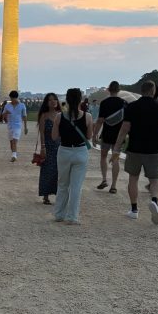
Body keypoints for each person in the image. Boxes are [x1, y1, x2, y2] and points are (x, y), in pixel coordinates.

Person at [115, 80, 158, 224]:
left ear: (142, 90)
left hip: (135, 148)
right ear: (153, 91)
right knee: (154, 180)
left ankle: (134, 209)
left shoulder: (132, 107)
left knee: (133, 179)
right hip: (153, 149)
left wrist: (116, 148)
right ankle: (155, 201)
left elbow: (124, 130)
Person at [51, 87, 92, 225]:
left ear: (67, 100)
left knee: (62, 184)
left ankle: (59, 214)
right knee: (76, 187)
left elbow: (54, 136)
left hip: (64, 151)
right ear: (80, 100)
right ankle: (72, 217)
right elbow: (89, 136)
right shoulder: (87, 116)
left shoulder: (59, 116)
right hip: (80, 151)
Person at [92, 80, 125, 194]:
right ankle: (114, 185)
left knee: (103, 157)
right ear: (118, 90)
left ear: (109, 90)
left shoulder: (104, 103)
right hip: (119, 135)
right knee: (115, 159)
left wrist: (95, 134)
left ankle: (104, 179)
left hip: (107, 133)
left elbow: (100, 121)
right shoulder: (124, 103)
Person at [36, 93, 61, 204]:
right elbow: (41, 133)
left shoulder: (61, 114)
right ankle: (45, 195)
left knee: (59, 171)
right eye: (50, 100)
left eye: (55, 99)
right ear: (47, 102)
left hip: (60, 146)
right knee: (47, 171)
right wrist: (43, 147)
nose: (53, 101)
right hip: (48, 146)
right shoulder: (44, 116)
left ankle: (58, 194)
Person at [2, 90, 27, 161]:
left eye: (13, 98)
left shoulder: (22, 105)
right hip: (10, 125)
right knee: (11, 141)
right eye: (11, 98)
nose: (12, 100)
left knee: (14, 140)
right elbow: (3, 116)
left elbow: (25, 116)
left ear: (16, 97)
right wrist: (6, 113)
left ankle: (14, 156)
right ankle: (14, 153)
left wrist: (25, 127)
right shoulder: (7, 106)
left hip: (18, 125)